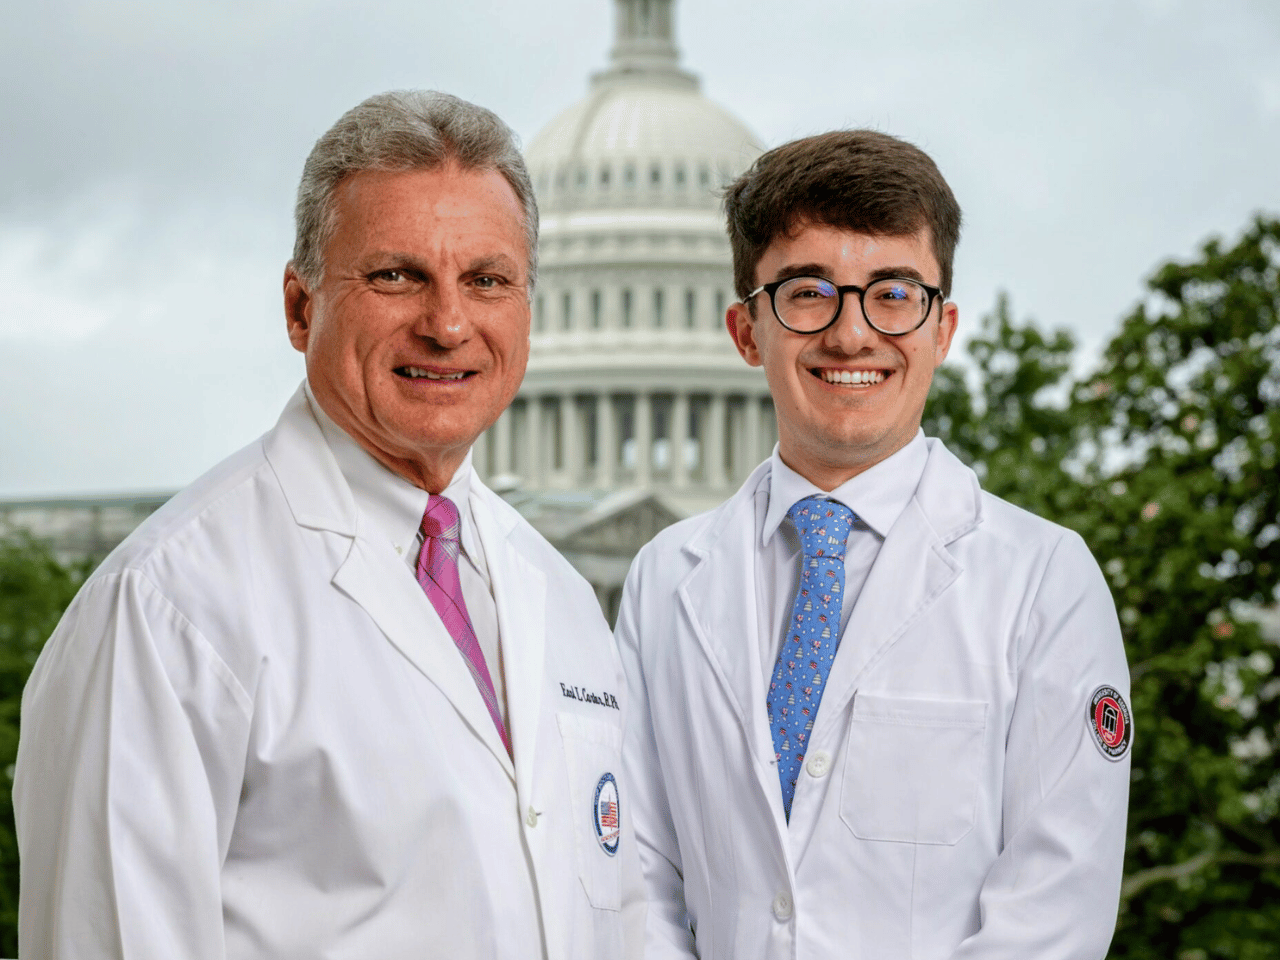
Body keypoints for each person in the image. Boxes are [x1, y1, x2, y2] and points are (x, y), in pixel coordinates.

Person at [16, 90, 643, 960]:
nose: (449, 323)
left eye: (487, 281)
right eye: (396, 275)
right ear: (300, 306)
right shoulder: (166, 607)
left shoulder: (566, 599)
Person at [617, 130, 1131, 959]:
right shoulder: (663, 579)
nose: (852, 335)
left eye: (893, 294)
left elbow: (1050, 918)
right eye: (808, 292)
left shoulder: (1044, 582)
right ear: (746, 331)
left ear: (944, 328)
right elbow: (634, 881)